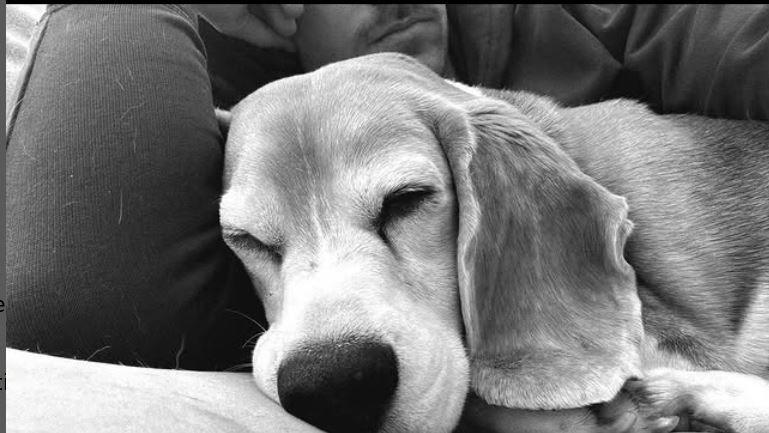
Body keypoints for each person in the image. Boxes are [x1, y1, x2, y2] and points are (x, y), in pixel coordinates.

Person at [6, 4, 769, 432]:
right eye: (252, 236)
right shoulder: (229, 123)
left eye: (402, 199)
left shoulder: (553, 58)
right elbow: (70, 281)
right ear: (275, 18)